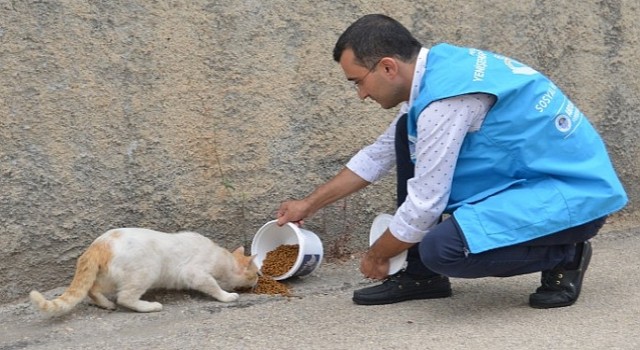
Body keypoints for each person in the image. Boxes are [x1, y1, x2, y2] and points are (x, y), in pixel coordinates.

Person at [276, 14, 628, 308]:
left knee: (442, 249)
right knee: (403, 135)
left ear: (387, 67)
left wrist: (379, 255)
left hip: (575, 199)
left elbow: (424, 207)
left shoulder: (445, 104)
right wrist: (308, 205)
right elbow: (378, 154)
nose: (361, 94)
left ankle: (567, 255)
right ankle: (420, 277)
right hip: (537, 180)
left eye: (358, 82)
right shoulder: (440, 69)